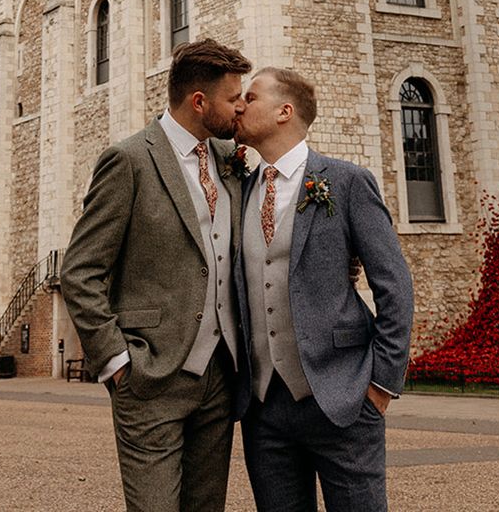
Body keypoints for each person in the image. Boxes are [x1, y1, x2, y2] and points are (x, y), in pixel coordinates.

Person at [60, 38, 252, 512]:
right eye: (233, 98)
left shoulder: (228, 157)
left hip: (220, 377)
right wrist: (117, 362)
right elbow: (81, 270)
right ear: (199, 102)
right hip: (150, 377)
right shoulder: (129, 160)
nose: (241, 107)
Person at [233, 67, 414, 512]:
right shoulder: (238, 191)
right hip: (263, 408)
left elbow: (395, 285)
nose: (238, 106)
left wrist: (380, 385)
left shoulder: (347, 181)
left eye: (251, 98)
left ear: (284, 111)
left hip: (343, 398)